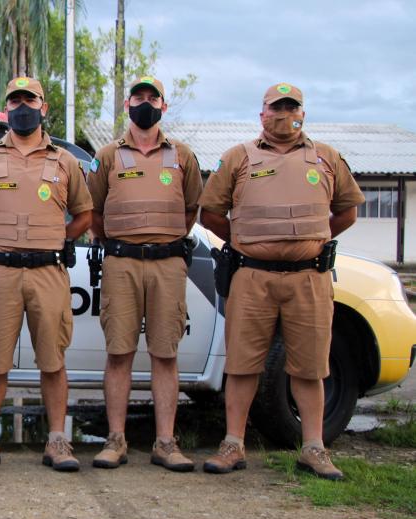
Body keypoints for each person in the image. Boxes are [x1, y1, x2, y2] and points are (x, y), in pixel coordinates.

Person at [199, 83, 364, 480]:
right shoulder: (238, 158)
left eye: (291, 107)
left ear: (302, 114)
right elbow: (210, 214)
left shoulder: (326, 157)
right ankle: (233, 445)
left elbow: (347, 212)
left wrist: (311, 241)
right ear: (262, 114)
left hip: (309, 278)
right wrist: (247, 242)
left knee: (310, 367)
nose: (282, 113)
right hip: (252, 277)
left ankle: (314, 449)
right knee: (241, 365)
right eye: (275, 107)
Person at [0, 76, 93, 472]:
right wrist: (0, 239)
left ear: (43, 107)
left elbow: (84, 214)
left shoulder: (65, 160)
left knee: (53, 360)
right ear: (7, 108)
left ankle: (57, 441)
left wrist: (55, 238)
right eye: (14, 101)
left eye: (29, 100)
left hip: (48, 272)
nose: (21, 107)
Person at [87, 76, 203, 472]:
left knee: (165, 354)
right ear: (127, 104)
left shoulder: (183, 156)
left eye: (153, 97)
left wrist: (163, 240)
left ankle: (166, 443)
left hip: (168, 264)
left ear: (163, 106)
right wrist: (125, 241)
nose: (146, 103)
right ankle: (115, 440)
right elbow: (94, 213)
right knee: (119, 352)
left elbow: (191, 210)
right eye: (139, 97)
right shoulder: (106, 156)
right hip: (121, 262)